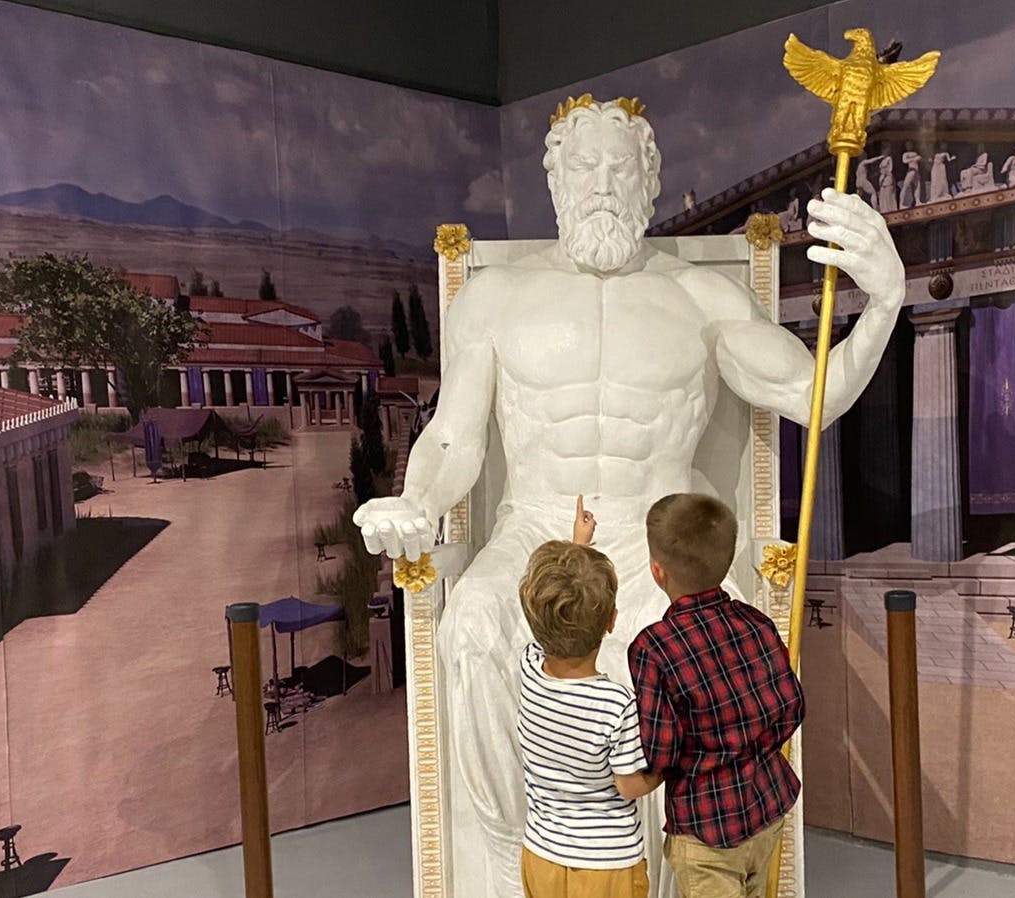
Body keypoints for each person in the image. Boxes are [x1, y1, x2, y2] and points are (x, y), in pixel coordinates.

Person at [352, 96, 905, 898]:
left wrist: (886, 297)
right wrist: (415, 498)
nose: (603, 183)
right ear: (555, 180)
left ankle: (668, 873)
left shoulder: (701, 299)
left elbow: (815, 396)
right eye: (586, 164)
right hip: (539, 528)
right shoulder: (494, 299)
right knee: (470, 626)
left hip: (661, 539)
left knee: (671, 649)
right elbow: (453, 438)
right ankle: (515, 864)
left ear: (651, 180)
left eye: (623, 166)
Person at [628, 494, 805, 898]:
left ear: (658, 572)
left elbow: (661, 752)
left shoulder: (654, 649)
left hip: (705, 828)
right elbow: (791, 707)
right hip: (767, 804)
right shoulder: (756, 623)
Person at [517, 497, 662, 898]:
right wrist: (666, 764)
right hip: (606, 867)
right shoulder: (616, 705)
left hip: (541, 854)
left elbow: (552, 609)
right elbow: (630, 785)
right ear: (612, 621)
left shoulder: (529, 668)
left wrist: (576, 548)